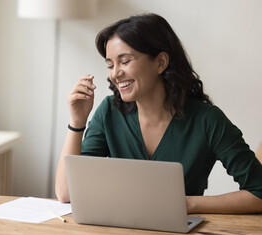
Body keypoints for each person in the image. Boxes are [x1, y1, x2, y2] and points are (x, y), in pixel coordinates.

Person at [55, 13, 262, 213]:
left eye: (125, 61)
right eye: (110, 65)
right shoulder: (109, 111)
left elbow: (258, 192)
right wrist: (77, 121)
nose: (115, 74)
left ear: (161, 62)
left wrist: (188, 204)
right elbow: (66, 193)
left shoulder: (207, 119)